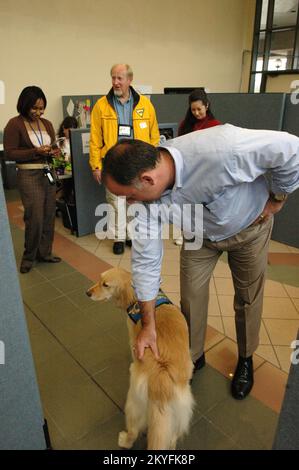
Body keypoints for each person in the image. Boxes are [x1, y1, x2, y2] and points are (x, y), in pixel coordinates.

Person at [101, 124, 299, 400]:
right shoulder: (145, 205)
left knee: (248, 299)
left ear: (147, 180)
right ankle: (193, 356)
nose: (129, 204)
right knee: (191, 298)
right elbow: (146, 263)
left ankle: (245, 358)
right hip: (199, 235)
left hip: (250, 228)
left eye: (129, 196)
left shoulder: (222, 149)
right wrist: (148, 325)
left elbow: (291, 150)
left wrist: (277, 197)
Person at [89, 63, 160, 255]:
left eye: (119, 78)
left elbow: (154, 136)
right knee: (115, 201)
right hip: (113, 163)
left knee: (135, 200)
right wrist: (96, 165)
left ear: (130, 80)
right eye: (113, 78)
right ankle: (120, 238)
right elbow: (94, 139)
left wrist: (153, 163)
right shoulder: (101, 106)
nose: (115, 82)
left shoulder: (145, 105)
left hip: (139, 164)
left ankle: (131, 235)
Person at [3, 86, 61, 273]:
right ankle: (29, 257)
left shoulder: (47, 124)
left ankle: (45, 253)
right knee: (34, 216)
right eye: (34, 108)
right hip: (28, 175)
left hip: (47, 173)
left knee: (49, 215)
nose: (38, 112)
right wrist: (34, 151)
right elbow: (9, 153)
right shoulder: (14, 124)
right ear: (25, 105)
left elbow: (52, 146)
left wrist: (54, 151)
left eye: (41, 108)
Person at [175, 88, 221, 246]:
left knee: (202, 205)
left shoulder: (215, 125)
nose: (196, 113)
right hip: (188, 170)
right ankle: (185, 233)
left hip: (206, 172)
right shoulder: (185, 125)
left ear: (207, 106)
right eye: (193, 109)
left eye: (199, 109)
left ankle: (202, 233)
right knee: (186, 204)